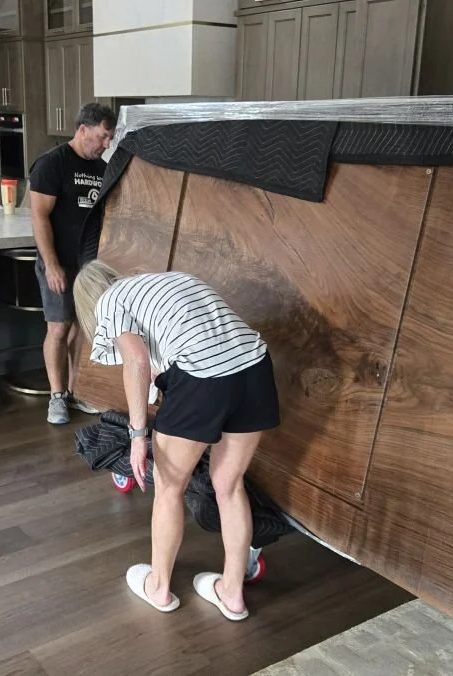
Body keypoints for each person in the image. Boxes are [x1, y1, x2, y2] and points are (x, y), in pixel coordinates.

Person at [73, 260, 281, 621]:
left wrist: (138, 436)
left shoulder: (109, 301)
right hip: (255, 368)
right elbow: (165, 359)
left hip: (204, 378)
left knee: (170, 486)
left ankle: (159, 586)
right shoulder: (168, 282)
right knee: (229, 487)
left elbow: (136, 362)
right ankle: (232, 593)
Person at [28, 102, 117, 425]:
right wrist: (51, 265)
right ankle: (56, 397)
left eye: (109, 138)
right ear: (83, 130)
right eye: (102, 137)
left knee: (82, 329)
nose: (106, 144)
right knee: (58, 327)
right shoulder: (52, 164)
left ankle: (74, 391)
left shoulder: (103, 168)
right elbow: (39, 216)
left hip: (89, 264)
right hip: (59, 261)